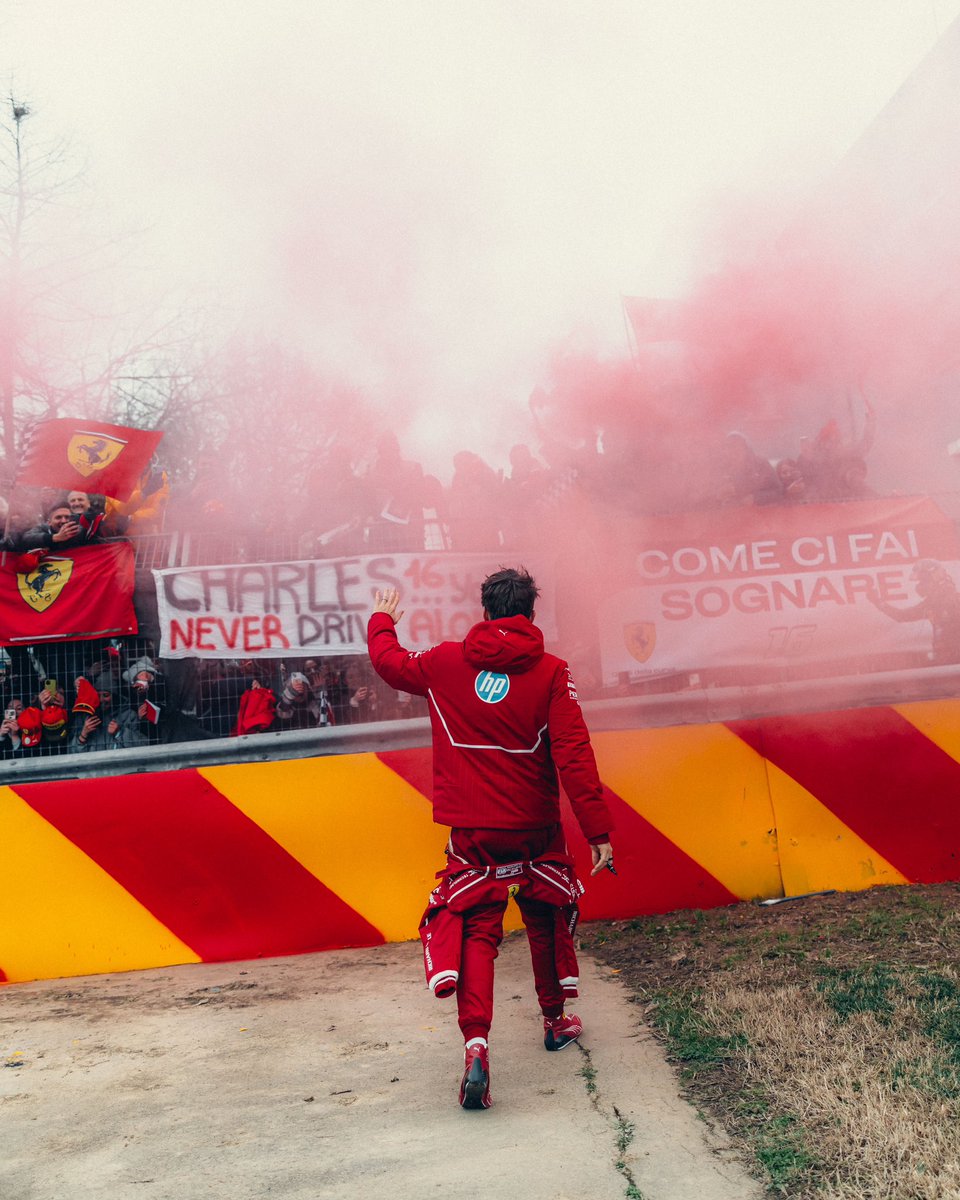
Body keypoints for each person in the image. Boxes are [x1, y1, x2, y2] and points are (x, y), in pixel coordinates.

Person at [367, 566, 614, 1111]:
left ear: (484, 610)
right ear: (530, 613)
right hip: (535, 827)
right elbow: (573, 754)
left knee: (479, 929)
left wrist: (383, 618)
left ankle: (476, 1048)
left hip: (474, 831)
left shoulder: (443, 661)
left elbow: (389, 663)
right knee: (546, 917)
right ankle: (555, 1021)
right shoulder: (552, 672)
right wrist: (598, 830)